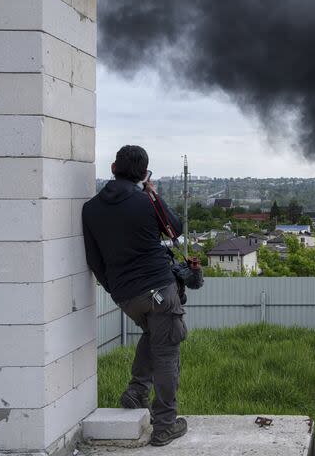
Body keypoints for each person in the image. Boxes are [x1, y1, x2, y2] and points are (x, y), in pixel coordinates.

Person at [82, 145, 188, 446]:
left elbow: (94, 260)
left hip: (126, 296)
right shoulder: (145, 201)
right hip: (159, 289)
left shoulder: (90, 209)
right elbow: (175, 230)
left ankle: (136, 391)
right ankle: (165, 424)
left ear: (113, 167)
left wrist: (115, 289)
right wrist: (153, 193)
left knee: (155, 335)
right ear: (144, 174)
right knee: (167, 350)